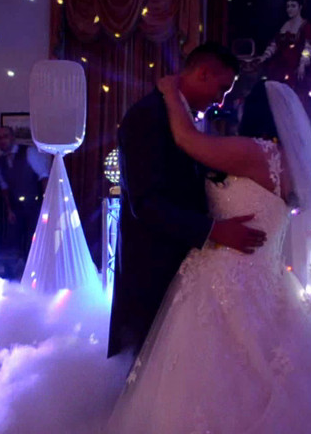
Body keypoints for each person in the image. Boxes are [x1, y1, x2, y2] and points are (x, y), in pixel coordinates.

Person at [105, 78, 311, 433]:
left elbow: (187, 140)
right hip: (268, 282)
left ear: (252, 111)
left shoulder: (252, 152)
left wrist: (170, 94)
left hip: (221, 279)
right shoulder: (292, 163)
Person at [107, 42, 267, 358]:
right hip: (153, 266)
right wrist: (213, 230)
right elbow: (147, 203)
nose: (220, 101)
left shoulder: (179, 116)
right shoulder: (148, 116)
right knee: (148, 370)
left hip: (184, 265)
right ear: (203, 73)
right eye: (221, 89)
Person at [0, 126, 50, 264]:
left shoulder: (28, 152)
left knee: (34, 240)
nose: (2, 141)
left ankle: (34, 271)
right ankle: (16, 272)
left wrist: (47, 205)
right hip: (16, 207)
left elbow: (44, 177)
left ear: (12, 138)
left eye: (5, 136)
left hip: (34, 204)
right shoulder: (0, 161)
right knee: (13, 240)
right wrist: (9, 210)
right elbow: (4, 187)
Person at [254, 0, 311, 89]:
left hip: (295, 68)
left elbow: (308, 48)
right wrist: (264, 57)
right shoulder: (284, 25)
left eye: (293, 6)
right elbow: (274, 44)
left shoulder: (306, 26)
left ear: (300, 7)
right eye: (288, 6)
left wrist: (302, 64)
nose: (289, 9)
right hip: (279, 67)